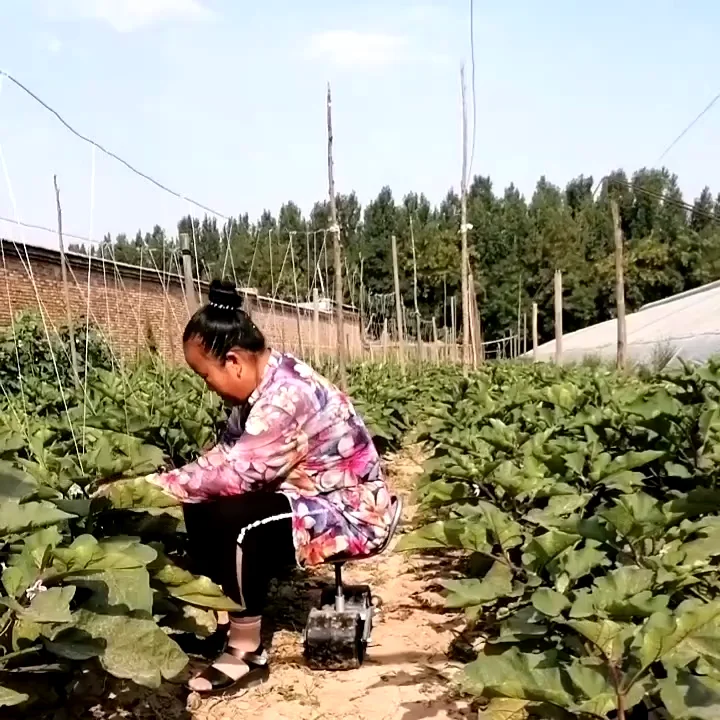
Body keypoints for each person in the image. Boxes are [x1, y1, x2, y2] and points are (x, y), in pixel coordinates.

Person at [138, 280, 393, 695]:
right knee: (204, 507)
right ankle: (220, 615)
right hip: (309, 497)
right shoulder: (263, 386)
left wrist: (152, 486)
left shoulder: (283, 398)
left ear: (234, 362)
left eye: (206, 375)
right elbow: (225, 455)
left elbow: (236, 475)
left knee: (238, 522)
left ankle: (245, 651)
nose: (208, 386)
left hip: (348, 512)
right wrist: (177, 482)